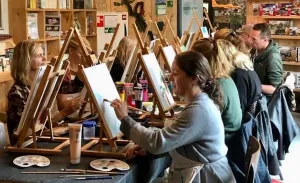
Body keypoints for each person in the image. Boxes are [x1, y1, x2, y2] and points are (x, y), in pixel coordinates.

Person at [111, 51, 236, 183]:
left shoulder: (199, 110)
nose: (170, 78)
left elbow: (157, 142)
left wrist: (125, 118)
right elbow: (177, 139)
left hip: (208, 177)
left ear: (193, 78)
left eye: (175, 73)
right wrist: (147, 149)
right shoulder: (199, 103)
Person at [191, 38, 242, 143]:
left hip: (223, 141)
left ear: (201, 62)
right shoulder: (225, 78)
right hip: (230, 137)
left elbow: (201, 123)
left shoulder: (215, 86)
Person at [7, 40, 46, 144]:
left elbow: (41, 123)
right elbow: (26, 131)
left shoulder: (37, 85)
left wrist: (64, 113)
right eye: (39, 55)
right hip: (24, 145)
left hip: (38, 139)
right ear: (27, 60)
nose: (44, 58)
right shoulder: (16, 93)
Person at [214, 37, 262, 116]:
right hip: (251, 119)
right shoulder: (245, 67)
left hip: (244, 123)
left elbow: (239, 110)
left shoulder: (239, 74)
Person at [54, 37, 92, 121]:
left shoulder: (85, 68)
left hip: (84, 113)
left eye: (86, 54)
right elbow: (62, 106)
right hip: (69, 117)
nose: (84, 57)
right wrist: (76, 103)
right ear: (71, 51)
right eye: (81, 53)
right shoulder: (63, 71)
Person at [249, 23, 283, 96]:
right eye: (250, 37)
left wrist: (252, 86)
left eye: (254, 39)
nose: (250, 41)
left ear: (265, 40)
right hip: (256, 95)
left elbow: (275, 88)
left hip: (266, 101)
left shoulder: (273, 58)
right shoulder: (255, 50)